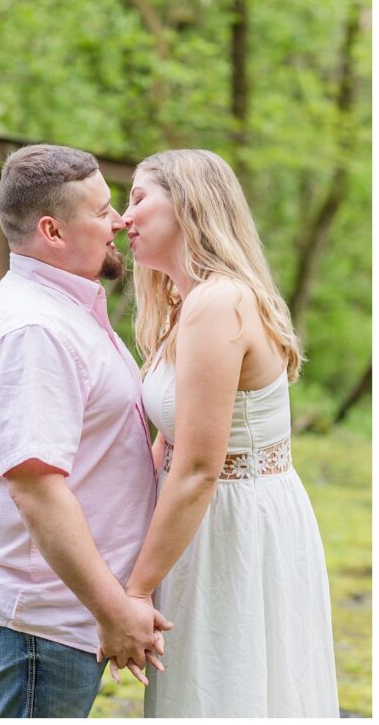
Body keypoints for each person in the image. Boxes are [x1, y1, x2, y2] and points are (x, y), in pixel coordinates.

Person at [0, 144, 170, 718]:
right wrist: (114, 610)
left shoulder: (66, 310)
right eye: (102, 210)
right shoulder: (33, 329)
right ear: (52, 230)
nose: (119, 222)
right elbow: (37, 488)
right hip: (38, 622)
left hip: (60, 615)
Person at [117, 149, 339, 716]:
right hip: (195, 518)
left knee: (224, 690)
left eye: (139, 198)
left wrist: (134, 594)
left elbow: (198, 467)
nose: (124, 217)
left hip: (231, 520)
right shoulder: (185, 302)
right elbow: (169, 441)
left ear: (188, 204)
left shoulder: (219, 302)